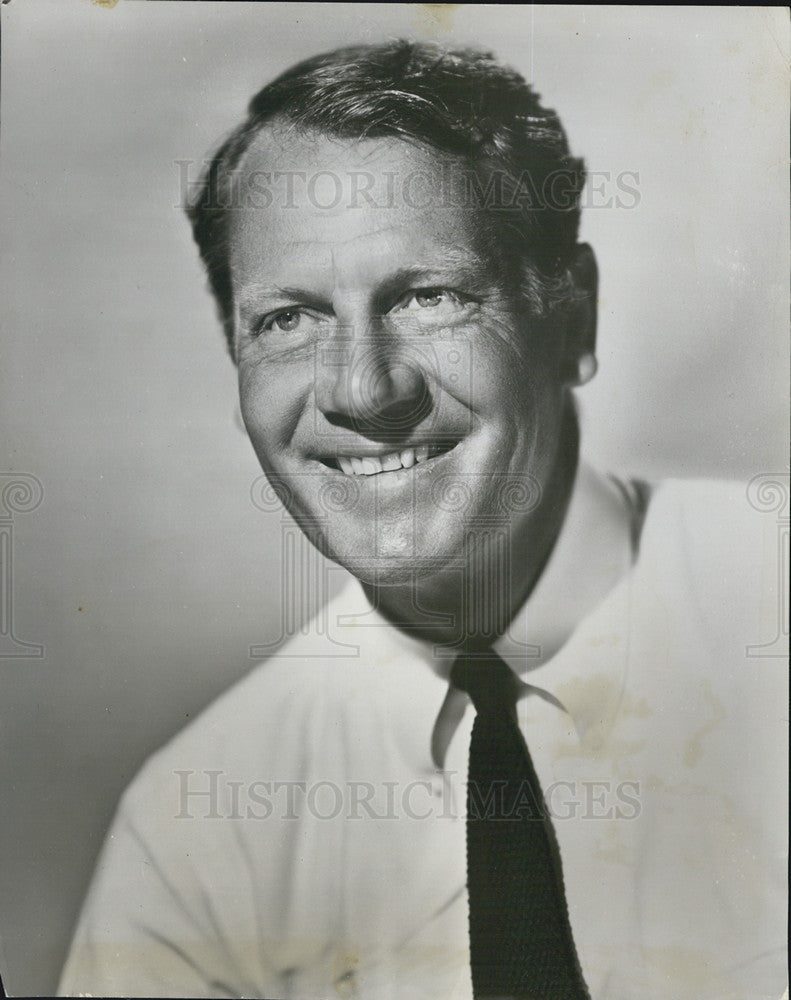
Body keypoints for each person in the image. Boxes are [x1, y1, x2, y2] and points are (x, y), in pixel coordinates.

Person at [58, 41, 786, 1000]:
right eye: (288, 320)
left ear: (570, 320)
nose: (364, 389)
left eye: (428, 296)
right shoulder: (196, 837)